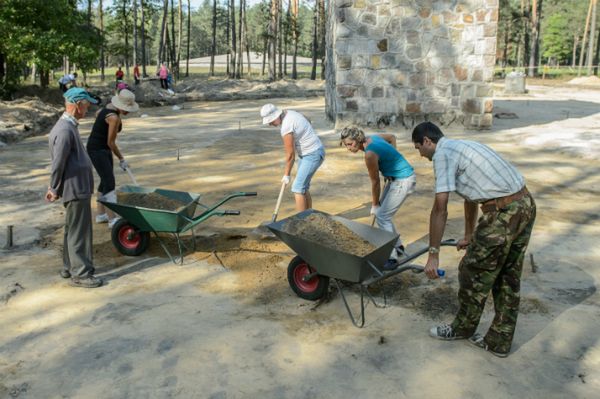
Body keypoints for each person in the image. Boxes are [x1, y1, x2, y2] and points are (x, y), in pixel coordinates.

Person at [412, 121, 536, 358]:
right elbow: (471, 197)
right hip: (525, 204)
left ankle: (462, 329)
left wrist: (433, 255)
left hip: (504, 213)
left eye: (419, 148)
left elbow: (440, 209)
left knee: (472, 271)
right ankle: (499, 341)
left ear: (427, 141)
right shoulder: (462, 146)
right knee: (507, 275)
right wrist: (469, 235)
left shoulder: (442, 155)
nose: (421, 155)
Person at [46, 88, 103, 288]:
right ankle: (81, 274)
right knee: (80, 232)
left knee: (72, 229)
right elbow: (58, 163)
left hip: (77, 187)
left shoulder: (69, 126)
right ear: (77, 104)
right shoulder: (64, 130)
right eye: (86, 105)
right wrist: (53, 187)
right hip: (75, 188)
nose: (87, 109)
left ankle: (69, 267)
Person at [340, 126, 415, 270]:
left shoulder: (369, 154)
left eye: (350, 144)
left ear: (358, 139)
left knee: (382, 216)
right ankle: (398, 247)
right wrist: (392, 162)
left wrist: (374, 205)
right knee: (384, 214)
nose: (348, 148)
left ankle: (391, 258)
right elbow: (391, 137)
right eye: (346, 145)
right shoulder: (373, 138)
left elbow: (375, 182)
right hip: (396, 178)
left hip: (403, 180)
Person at [87, 89, 139, 228]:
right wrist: (122, 159)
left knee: (105, 180)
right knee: (109, 182)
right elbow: (111, 142)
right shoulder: (113, 117)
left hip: (102, 148)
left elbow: (98, 114)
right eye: (127, 108)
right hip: (97, 149)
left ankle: (100, 215)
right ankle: (112, 220)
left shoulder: (111, 109)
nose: (128, 111)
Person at [260, 103, 325, 212]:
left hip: (312, 154)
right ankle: (309, 216)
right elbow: (307, 120)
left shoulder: (286, 126)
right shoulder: (290, 113)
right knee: (303, 188)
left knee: (297, 188)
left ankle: (302, 221)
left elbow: (290, 155)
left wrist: (286, 175)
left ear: (276, 116)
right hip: (311, 152)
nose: (270, 124)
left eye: (270, 121)